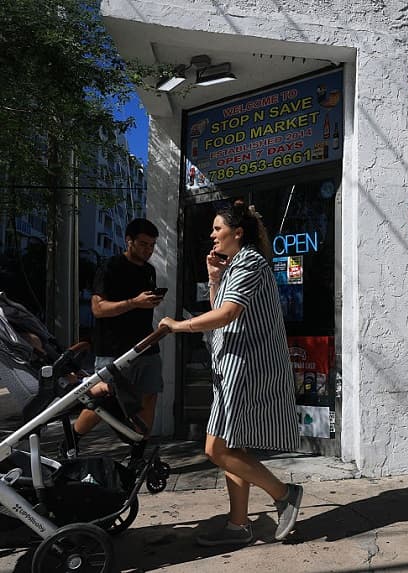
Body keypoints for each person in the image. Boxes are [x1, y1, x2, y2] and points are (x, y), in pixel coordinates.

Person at [159, 200, 301, 546]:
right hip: (231, 367)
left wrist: (180, 326)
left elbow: (226, 316)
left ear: (237, 233)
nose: (212, 235)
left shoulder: (250, 262)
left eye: (217, 228)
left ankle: (285, 494)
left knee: (217, 448)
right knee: (231, 448)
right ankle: (238, 526)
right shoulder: (236, 266)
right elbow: (219, 308)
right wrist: (214, 279)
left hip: (247, 367)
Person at [70, 218, 165, 456]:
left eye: (152, 245)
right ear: (129, 241)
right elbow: (98, 309)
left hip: (145, 345)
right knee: (105, 403)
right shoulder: (109, 267)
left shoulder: (149, 270)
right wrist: (135, 302)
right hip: (113, 350)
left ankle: (138, 451)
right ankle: (71, 440)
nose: (148, 250)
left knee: (149, 396)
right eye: (143, 244)